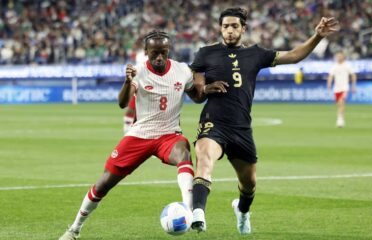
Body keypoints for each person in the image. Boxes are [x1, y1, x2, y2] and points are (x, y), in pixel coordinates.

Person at [189, 7, 339, 234]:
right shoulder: (205, 54)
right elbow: (197, 95)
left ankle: (242, 211)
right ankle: (197, 213)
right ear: (220, 28)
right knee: (204, 159)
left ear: (243, 29)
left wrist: (317, 35)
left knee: (249, 184)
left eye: (234, 26)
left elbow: (294, 55)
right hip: (213, 122)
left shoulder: (256, 54)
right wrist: (206, 88)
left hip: (241, 128)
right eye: (225, 26)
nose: (229, 30)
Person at [59, 30, 204, 240]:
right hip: (140, 135)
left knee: (183, 152)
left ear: (168, 50)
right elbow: (122, 103)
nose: (159, 57)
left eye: (163, 52)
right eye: (154, 53)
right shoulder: (138, 72)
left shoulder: (182, 70)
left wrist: (205, 87)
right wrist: (127, 82)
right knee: (103, 183)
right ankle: (74, 229)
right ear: (146, 52)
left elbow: (197, 96)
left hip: (169, 135)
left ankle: (189, 213)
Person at [327, 52, 357, 127]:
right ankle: (341, 118)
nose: (338, 57)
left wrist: (353, 86)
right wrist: (329, 83)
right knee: (339, 105)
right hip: (337, 88)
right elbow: (330, 75)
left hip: (345, 88)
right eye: (337, 56)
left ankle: (340, 120)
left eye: (340, 56)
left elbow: (353, 75)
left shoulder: (347, 65)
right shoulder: (334, 66)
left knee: (341, 102)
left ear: (343, 57)